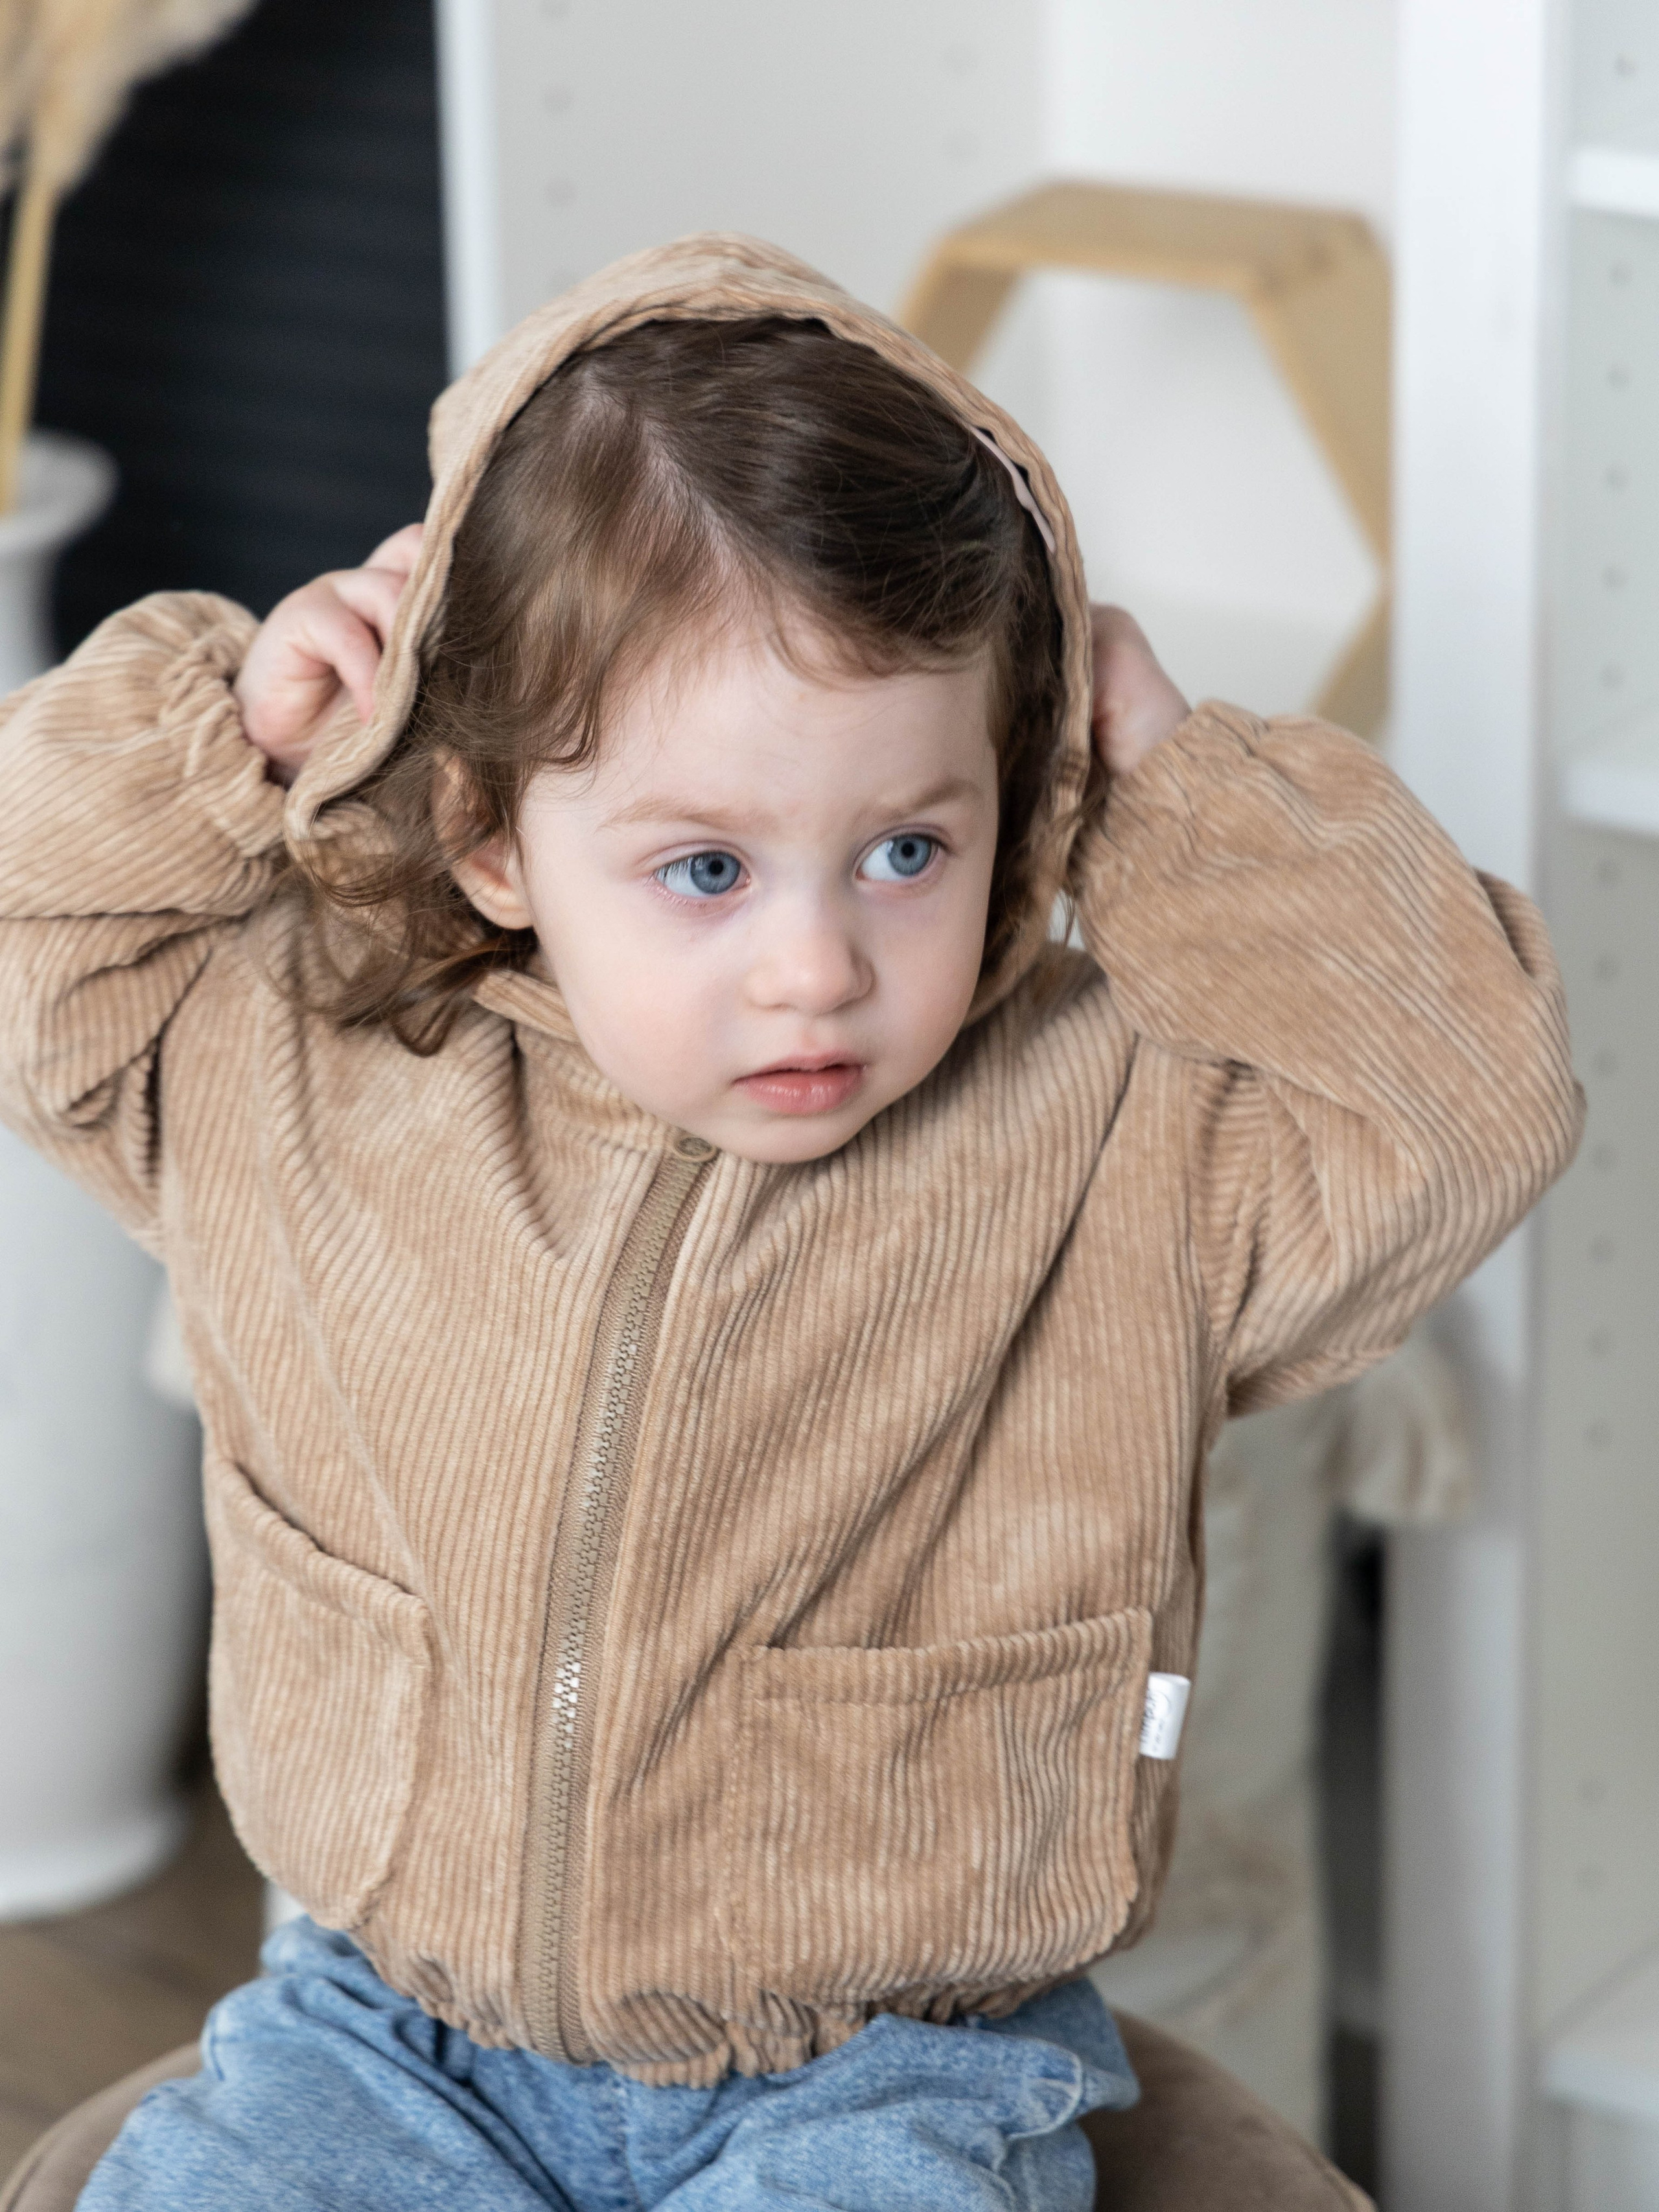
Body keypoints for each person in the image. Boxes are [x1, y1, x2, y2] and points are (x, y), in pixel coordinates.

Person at [0, 237, 1581, 2209]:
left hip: (891, 2072)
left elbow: (1471, 1098)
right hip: (377, 2034)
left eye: (909, 847)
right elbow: (31, 937)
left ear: (1029, 799)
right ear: (491, 829)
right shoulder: (299, 1057)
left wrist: (1186, 788)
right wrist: (211, 735)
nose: (816, 966)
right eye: (707, 868)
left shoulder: (1137, 1146)